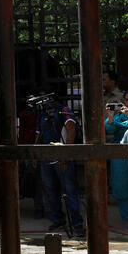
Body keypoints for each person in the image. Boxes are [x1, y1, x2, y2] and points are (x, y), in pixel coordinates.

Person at [36, 94, 85, 237]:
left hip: (62, 156)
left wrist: (66, 155)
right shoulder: (43, 114)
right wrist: (35, 154)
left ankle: (77, 224)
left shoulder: (63, 110)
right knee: (51, 190)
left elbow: (71, 129)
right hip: (46, 156)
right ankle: (58, 219)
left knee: (69, 191)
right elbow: (39, 133)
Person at [105, 91, 128, 230]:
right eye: (126, 100)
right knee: (122, 186)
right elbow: (109, 129)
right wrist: (110, 116)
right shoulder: (119, 116)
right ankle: (127, 217)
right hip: (120, 157)